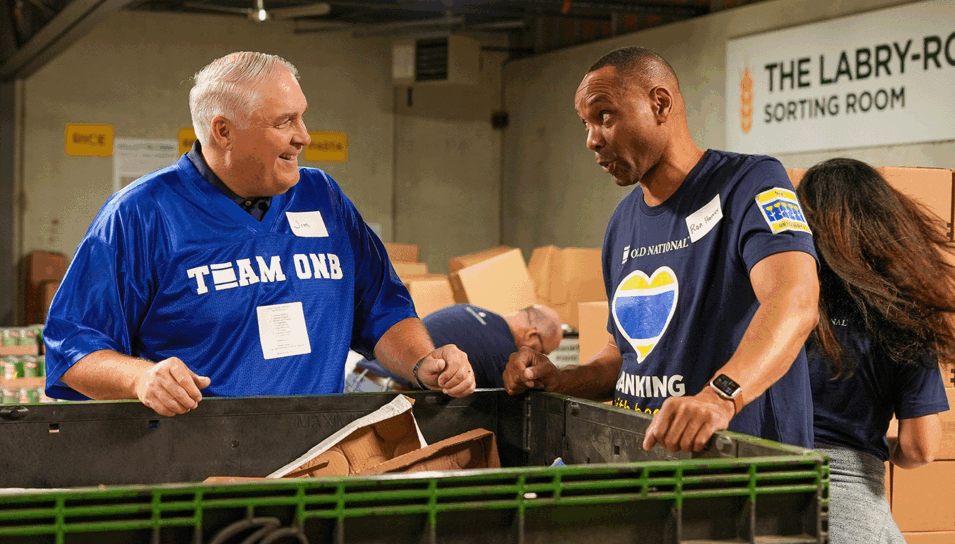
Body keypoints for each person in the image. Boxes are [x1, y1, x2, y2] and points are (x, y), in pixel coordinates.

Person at [44, 52, 475, 417]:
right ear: (223, 131)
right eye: (284, 122)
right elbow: (72, 349)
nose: (303, 137)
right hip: (194, 468)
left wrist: (423, 364)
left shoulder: (322, 197)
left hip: (315, 456)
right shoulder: (141, 215)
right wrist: (141, 377)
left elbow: (381, 308)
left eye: (302, 117)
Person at [503, 46, 820, 452]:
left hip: (743, 475)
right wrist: (562, 379)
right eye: (585, 123)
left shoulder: (750, 182)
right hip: (648, 467)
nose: (591, 139)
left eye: (604, 116)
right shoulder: (622, 222)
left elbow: (794, 300)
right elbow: (628, 355)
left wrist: (719, 396)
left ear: (660, 104)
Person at [796, 158, 951, 544]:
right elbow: (920, 448)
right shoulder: (904, 314)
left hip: (762, 492)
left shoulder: (781, 304)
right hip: (851, 507)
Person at [347, 304, 563, 391]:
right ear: (533, 337)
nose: (538, 358)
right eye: (542, 353)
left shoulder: (471, 310)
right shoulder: (505, 354)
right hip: (384, 394)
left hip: (359, 378)